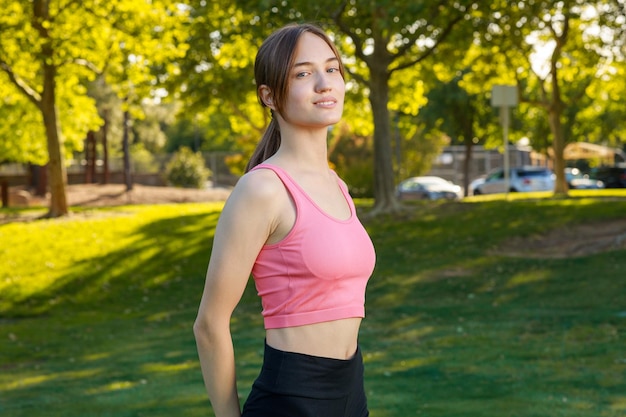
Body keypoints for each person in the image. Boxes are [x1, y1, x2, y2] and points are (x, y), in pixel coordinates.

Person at [193, 22, 376, 417]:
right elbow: (209, 324)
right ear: (269, 96)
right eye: (303, 73)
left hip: (351, 394)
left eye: (332, 69)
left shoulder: (337, 185)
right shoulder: (262, 191)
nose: (324, 83)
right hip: (292, 399)